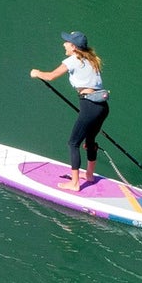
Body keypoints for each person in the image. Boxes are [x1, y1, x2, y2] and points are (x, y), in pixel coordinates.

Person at [30, 31, 108, 190]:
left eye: (66, 42)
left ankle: (74, 184)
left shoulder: (72, 60)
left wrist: (36, 73)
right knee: (90, 142)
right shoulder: (92, 59)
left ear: (74, 47)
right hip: (102, 107)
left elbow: (51, 76)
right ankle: (89, 175)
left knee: (73, 143)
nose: (64, 44)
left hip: (89, 106)